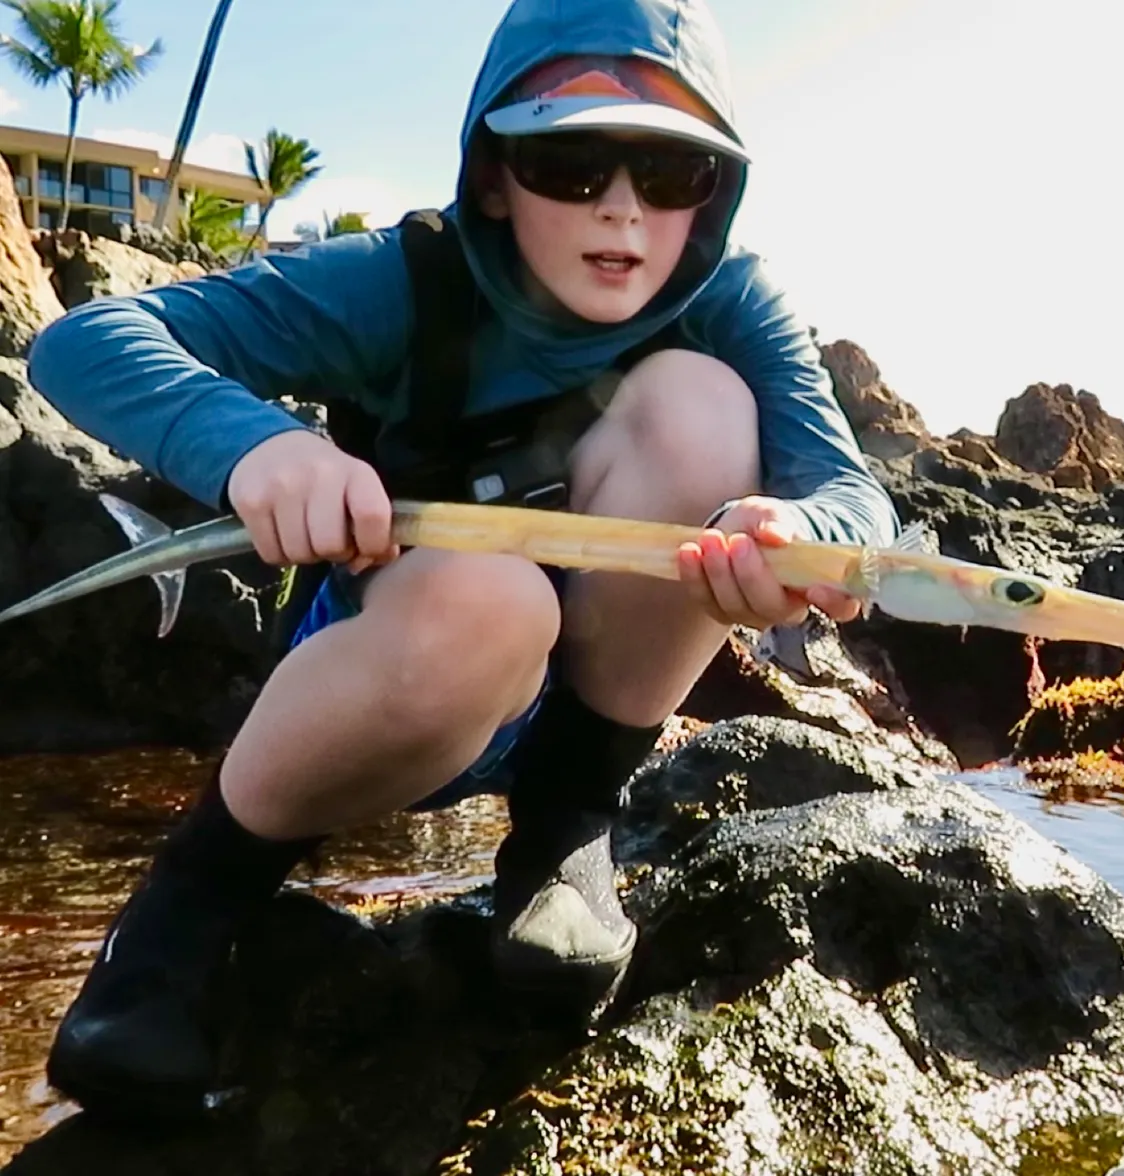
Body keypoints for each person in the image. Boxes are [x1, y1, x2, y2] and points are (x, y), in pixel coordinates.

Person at [23, 0, 897, 1121]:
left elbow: (853, 495)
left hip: (581, 699)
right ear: (493, 176)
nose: (623, 208)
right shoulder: (397, 280)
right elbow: (85, 342)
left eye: (673, 173)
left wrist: (804, 542)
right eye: (573, 163)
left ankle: (565, 835)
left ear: (713, 196)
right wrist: (262, 450)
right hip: (398, 674)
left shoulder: (734, 304)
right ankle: (188, 909)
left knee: (704, 407)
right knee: (488, 603)